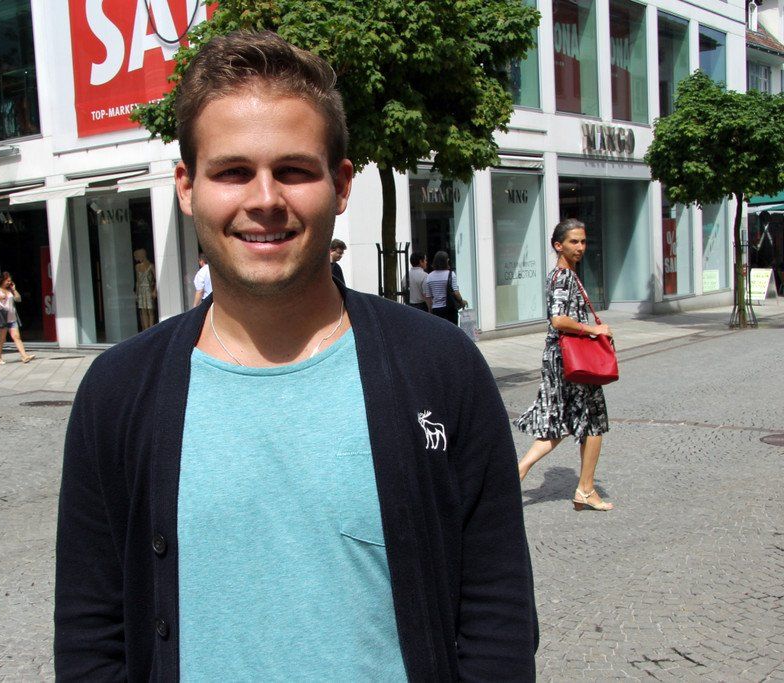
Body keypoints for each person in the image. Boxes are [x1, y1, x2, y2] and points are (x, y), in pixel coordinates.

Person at [55, 31, 536, 680]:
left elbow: (497, 617)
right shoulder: (117, 392)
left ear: (341, 184)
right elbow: (92, 635)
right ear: (187, 187)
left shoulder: (441, 368)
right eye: (232, 171)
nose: (264, 199)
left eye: (294, 170)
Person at [514, 218, 614, 511]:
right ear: (558, 245)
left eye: (583, 241)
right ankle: (585, 489)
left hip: (561, 358)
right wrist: (594, 330)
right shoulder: (564, 277)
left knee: (561, 421)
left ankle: (518, 472)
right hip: (572, 359)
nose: (580, 247)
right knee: (594, 420)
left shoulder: (560, 275)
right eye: (573, 242)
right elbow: (558, 319)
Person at [0, 272, 35, 365]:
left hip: (12, 318)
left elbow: (18, 299)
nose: (9, 283)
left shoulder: (10, 290)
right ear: (2, 280)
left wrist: (14, 290)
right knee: (2, 339)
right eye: (7, 281)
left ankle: (24, 356)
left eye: (10, 281)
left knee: (17, 337)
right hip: (3, 319)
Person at [422, 250, 467, 325]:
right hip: (450, 308)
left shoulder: (429, 277)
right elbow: (456, 292)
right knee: (452, 329)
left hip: (436, 309)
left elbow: (428, 297)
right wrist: (462, 302)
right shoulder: (451, 274)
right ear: (445, 262)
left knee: (440, 330)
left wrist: (430, 310)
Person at [133, 248, 158, 330]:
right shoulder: (137, 267)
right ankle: (146, 329)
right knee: (143, 310)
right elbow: (138, 281)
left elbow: (156, 278)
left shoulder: (151, 266)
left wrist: (154, 291)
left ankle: (151, 328)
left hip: (149, 289)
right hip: (141, 290)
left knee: (150, 310)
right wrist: (137, 293)